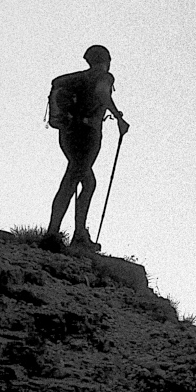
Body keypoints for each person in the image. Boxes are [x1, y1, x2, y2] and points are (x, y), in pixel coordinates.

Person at [42, 44, 129, 251]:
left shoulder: (76, 79)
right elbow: (102, 93)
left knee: (84, 181)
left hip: (67, 133)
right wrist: (118, 118)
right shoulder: (104, 77)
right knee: (74, 180)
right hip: (87, 134)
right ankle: (57, 234)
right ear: (106, 61)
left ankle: (73, 232)